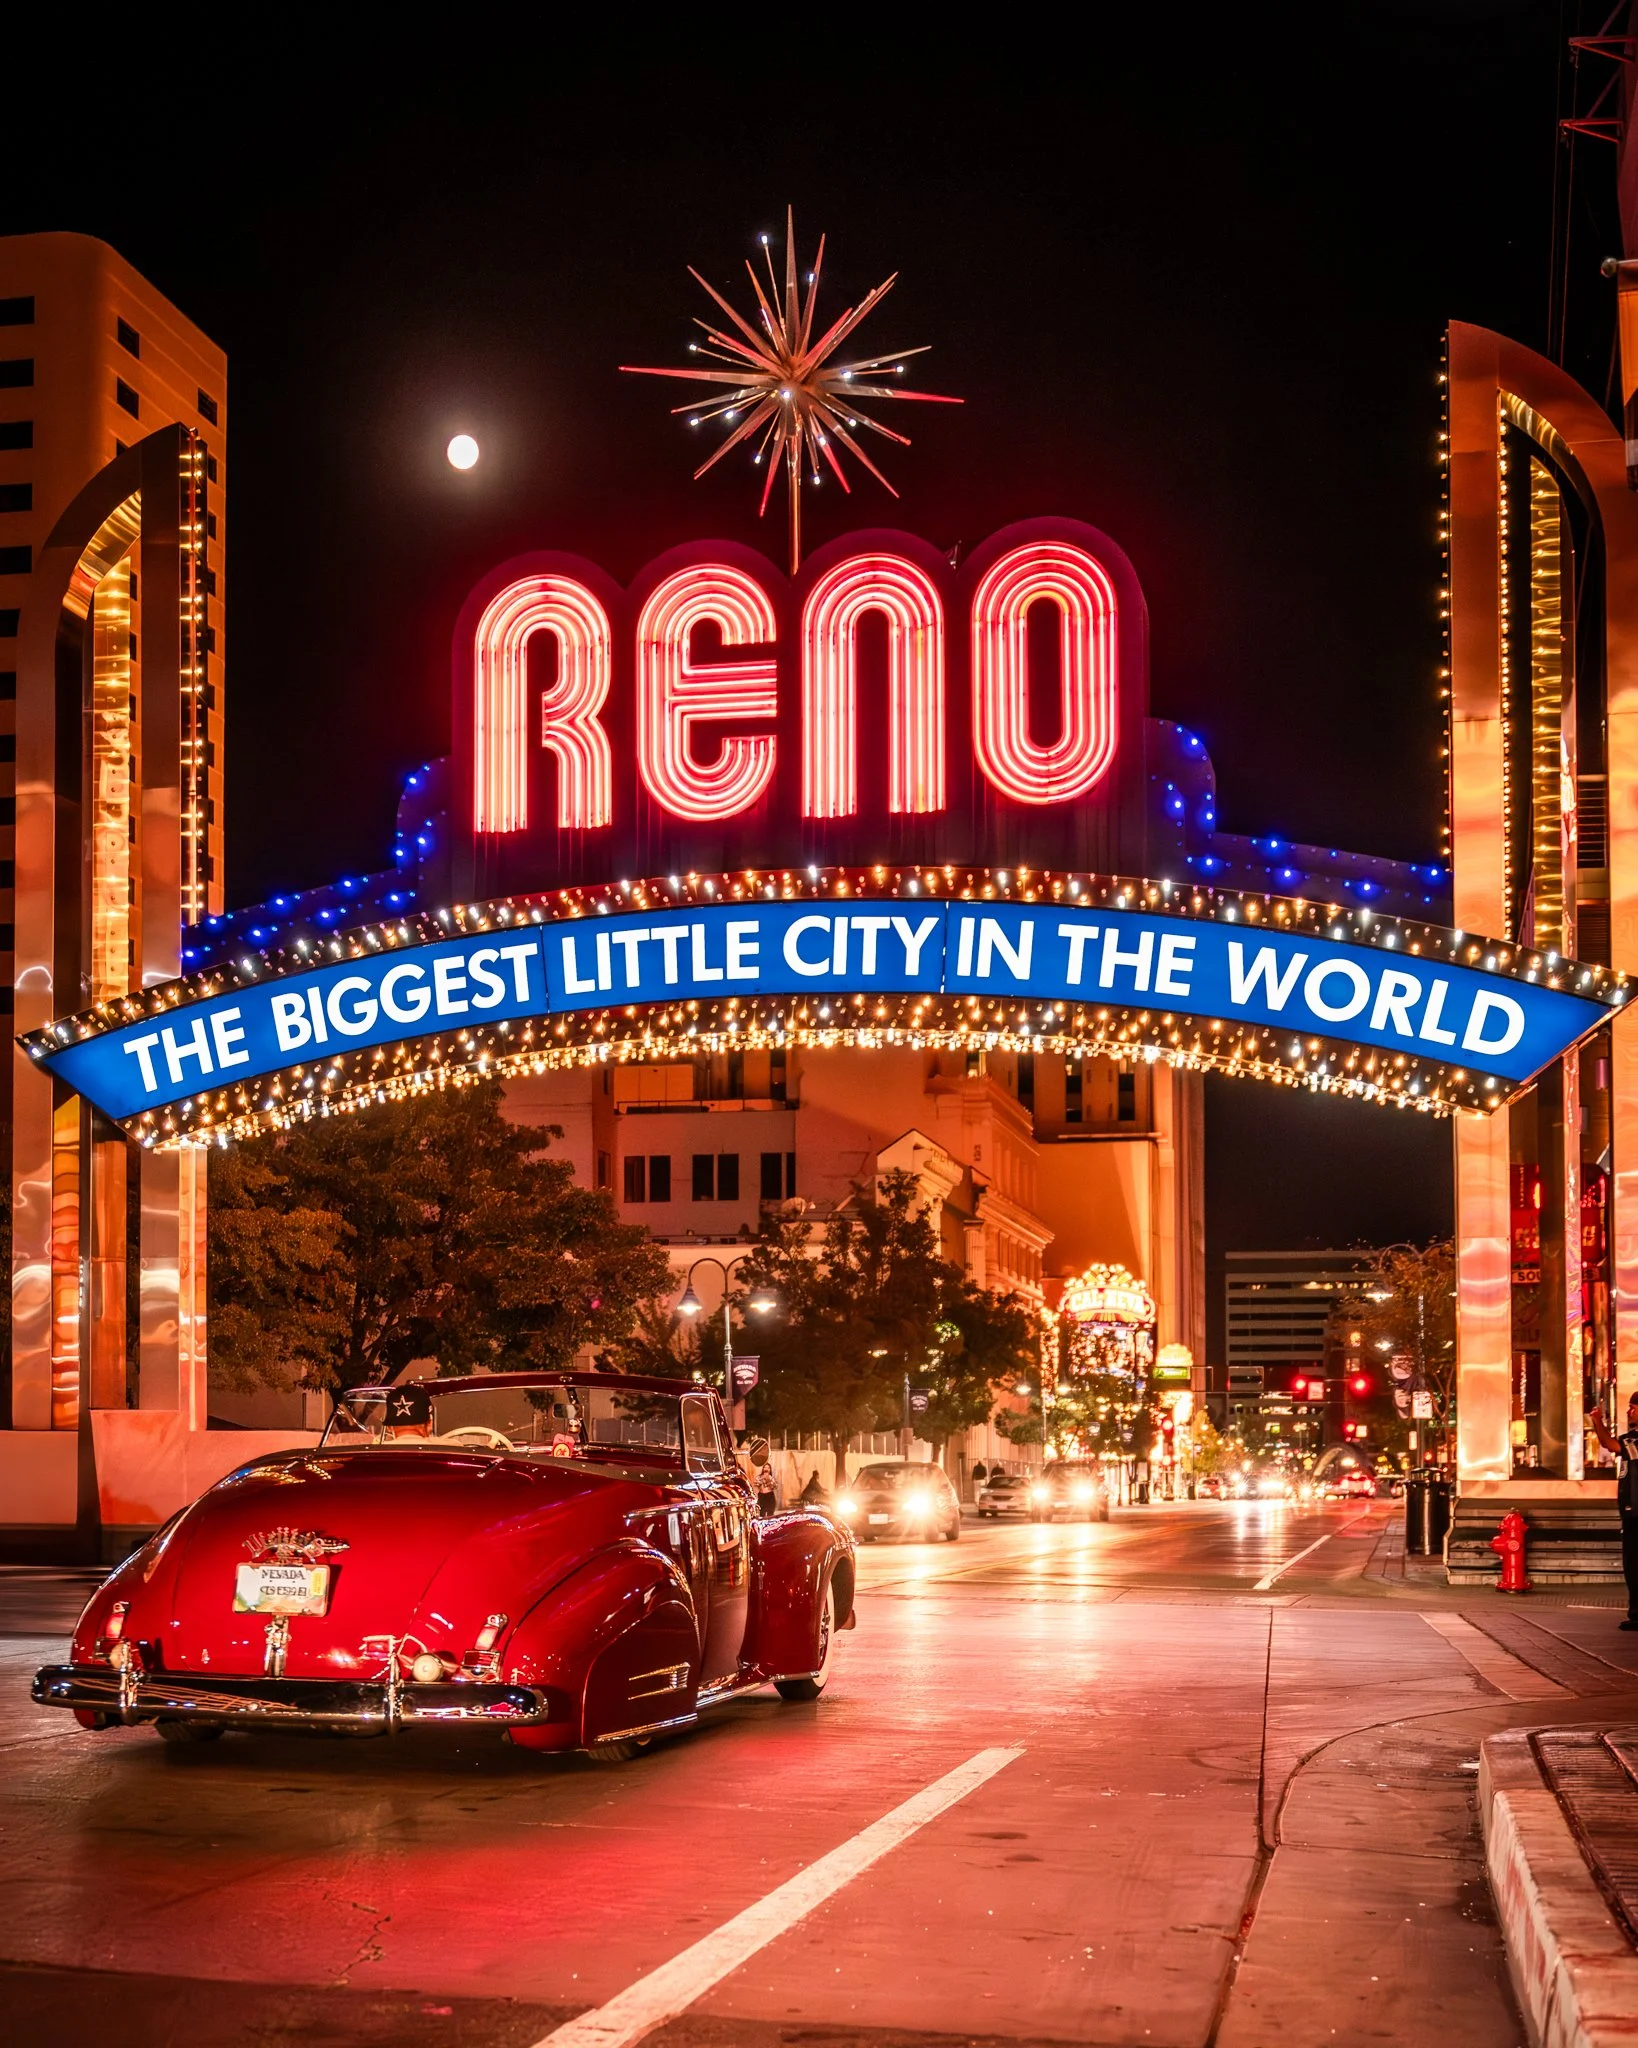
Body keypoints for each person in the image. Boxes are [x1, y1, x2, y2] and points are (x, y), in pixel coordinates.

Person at [1587, 1391, 1638, 1631]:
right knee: (1631, 1563)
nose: (1630, 1412)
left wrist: (1597, 1421)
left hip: (1636, 1512)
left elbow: (1611, 1445)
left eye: (1633, 1408)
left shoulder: (1633, 1442)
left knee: (1634, 1562)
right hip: (1631, 1511)